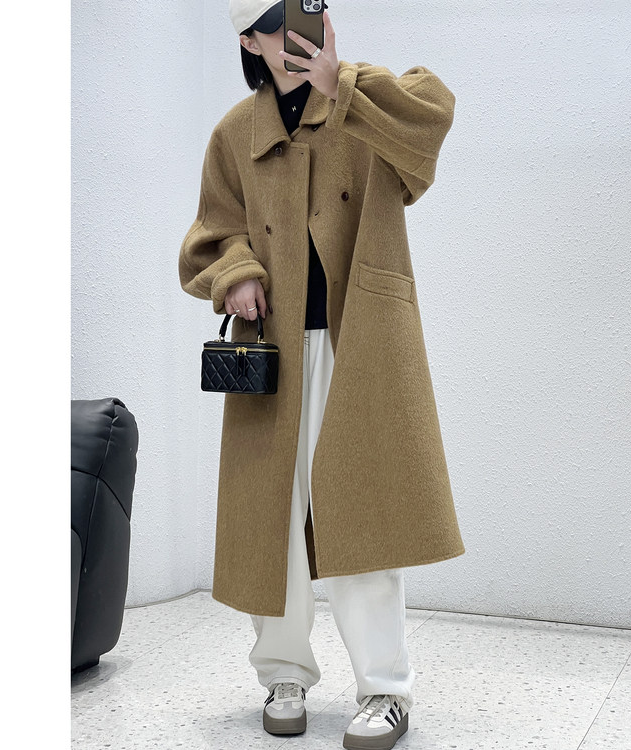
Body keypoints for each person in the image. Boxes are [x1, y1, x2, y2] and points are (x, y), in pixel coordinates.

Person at [178, 2, 465, 748]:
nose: (294, 29)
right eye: (273, 19)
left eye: (305, 7)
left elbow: (433, 118)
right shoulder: (234, 135)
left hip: (358, 345)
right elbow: (212, 233)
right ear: (249, 40)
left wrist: (347, 88)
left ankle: (385, 690)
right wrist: (237, 272)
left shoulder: (365, 101)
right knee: (272, 522)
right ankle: (283, 674)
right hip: (273, 355)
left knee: (361, 515)